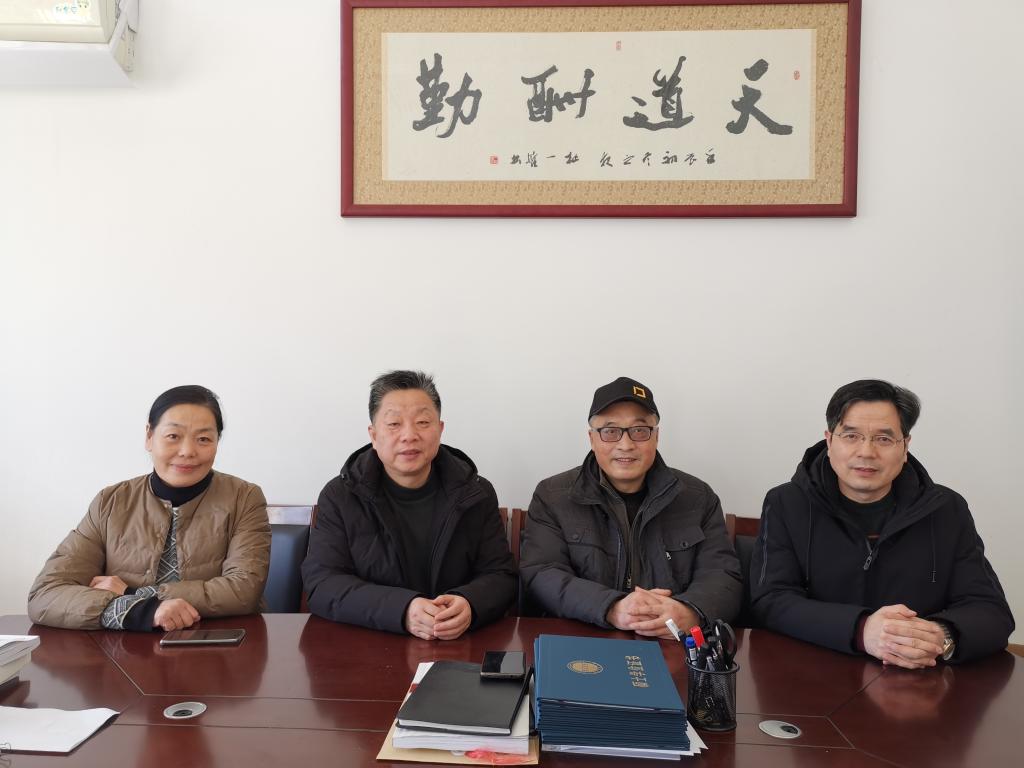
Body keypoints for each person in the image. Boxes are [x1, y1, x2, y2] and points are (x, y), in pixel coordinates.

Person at [750, 379, 1014, 666]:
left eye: (884, 439)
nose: (866, 452)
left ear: (905, 446)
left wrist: (940, 636)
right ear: (829, 440)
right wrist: (862, 630)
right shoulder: (787, 503)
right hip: (816, 672)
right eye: (851, 436)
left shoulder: (946, 509)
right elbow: (770, 601)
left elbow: (992, 611)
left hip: (920, 677)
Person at [28, 385, 271, 631]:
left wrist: (133, 593)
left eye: (203, 439)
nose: (187, 451)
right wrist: (137, 611)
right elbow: (46, 594)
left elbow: (244, 590)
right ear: (149, 436)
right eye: (173, 436)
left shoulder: (243, 498)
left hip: (218, 642)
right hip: (121, 647)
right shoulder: (110, 502)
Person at [519, 377, 741, 638]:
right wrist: (612, 607)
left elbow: (723, 575)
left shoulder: (698, 498)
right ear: (592, 438)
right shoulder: (553, 496)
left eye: (639, 430)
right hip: (583, 639)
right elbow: (542, 573)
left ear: (656, 437)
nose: (625, 445)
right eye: (610, 431)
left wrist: (690, 611)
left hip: (670, 642)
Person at [301, 370, 516, 639]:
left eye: (423, 422)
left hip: (456, 643)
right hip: (369, 644)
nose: (409, 435)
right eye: (394, 424)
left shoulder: (475, 493)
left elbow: (501, 575)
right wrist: (402, 610)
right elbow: (322, 583)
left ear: (440, 429)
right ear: (373, 434)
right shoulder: (341, 496)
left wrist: (470, 603)